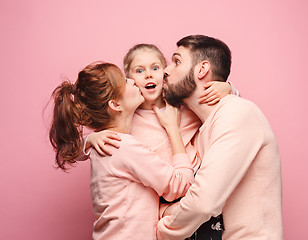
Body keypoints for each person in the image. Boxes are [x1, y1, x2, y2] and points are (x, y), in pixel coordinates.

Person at [85, 44, 239, 239]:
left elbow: (229, 109)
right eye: (139, 71)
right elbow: (100, 142)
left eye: (155, 68)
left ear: (165, 73)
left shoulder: (183, 109)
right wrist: (90, 138)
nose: (149, 75)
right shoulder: (127, 118)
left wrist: (228, 88)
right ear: (128, 81)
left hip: (192, 190)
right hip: (161, 200)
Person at [49, 62, 195, 239]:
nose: (133, 81)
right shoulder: (122, 146)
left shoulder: (102, 143)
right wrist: (174, 131)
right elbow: (179, 186)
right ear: (115, 105)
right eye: (126, 81)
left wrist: (89, 139)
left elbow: (70, 150)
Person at [157, 35, 283, 240]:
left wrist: (160, 221)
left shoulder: (237, 112)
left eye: (177, 61)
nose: (166, 70)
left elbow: (204, 202)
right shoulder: (202, 129)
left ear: (202, 69)